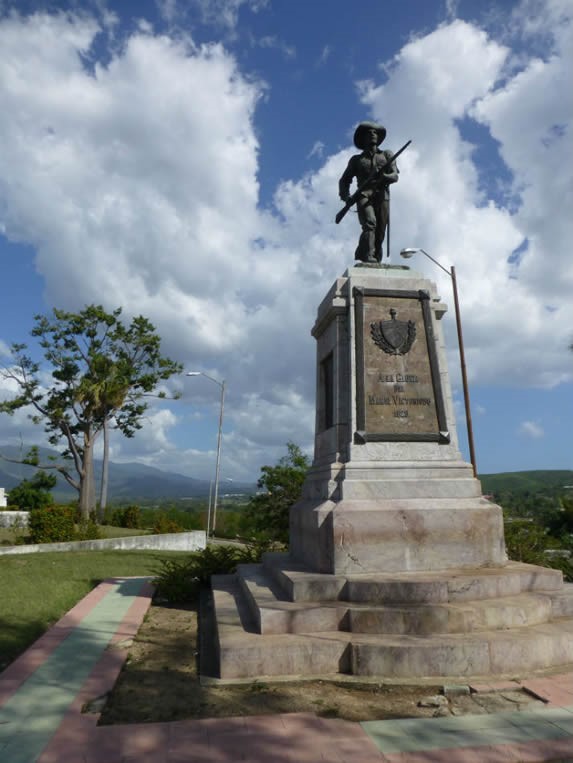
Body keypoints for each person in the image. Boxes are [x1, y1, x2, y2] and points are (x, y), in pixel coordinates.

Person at [338, 121, 399, 263]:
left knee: (380, 232)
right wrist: (346, 197)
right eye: (369, 133)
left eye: (375, 133)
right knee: (370, 223)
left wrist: (384, 177)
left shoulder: (386, 155)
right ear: (363, 138)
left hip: (382, 196)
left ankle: (374, 256)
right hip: (364, 195)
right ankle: (368, 256)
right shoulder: (356, 160)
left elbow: (395, 176)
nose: (373, 135)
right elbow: (344, 180)